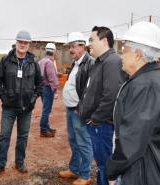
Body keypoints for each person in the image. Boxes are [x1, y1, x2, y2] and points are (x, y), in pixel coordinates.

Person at [106, 22, 160, 185]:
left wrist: (112, 171)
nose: (121, 56)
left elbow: (132, 140)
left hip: (141, 173)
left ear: (138, 54)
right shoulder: (147, 80)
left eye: (125, 51)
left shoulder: (145, 86)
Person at [0, 30, 43, 176]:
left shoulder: (33, 63)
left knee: (23, 136)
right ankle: (0, 164)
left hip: (26, 108)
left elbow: (40, 83)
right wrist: (4, 97)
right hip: (9, 108)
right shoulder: (6, 61)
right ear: (16, 43)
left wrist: (33, 98)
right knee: (4, 136)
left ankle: (19, 162)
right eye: (20, 42)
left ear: (28, 45)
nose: (22, 45)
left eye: (25, 42)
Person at [79, 26, 125, 185]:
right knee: (101, 165)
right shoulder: (100, 61)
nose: (88, 43)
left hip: (102, 125)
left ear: (104, 41)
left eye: (92, 40)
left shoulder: (112, 62)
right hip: (98, 124)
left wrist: (95, 119)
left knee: (105, 166)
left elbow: (111, 96)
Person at [59, 32, 93, 185]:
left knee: (84, 143)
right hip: (70, 109)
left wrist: (82, 109)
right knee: (73, 141)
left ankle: (85, 175)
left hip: (79, 111)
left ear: (82, 46)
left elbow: (90, 91)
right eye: (70, 47)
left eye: (73, 46)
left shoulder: (89, 63)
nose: (70, 50)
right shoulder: (76, 63)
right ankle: (74, 169)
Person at [38, 43, 58, 137]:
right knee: (46, 110)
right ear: (54, 51)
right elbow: (52, 78)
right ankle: (44, 130)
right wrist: (55, 91)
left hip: (42, 88)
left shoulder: (41, 61)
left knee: (46, 109)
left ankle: (47, 127)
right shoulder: (49, 62)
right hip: (48, 88)